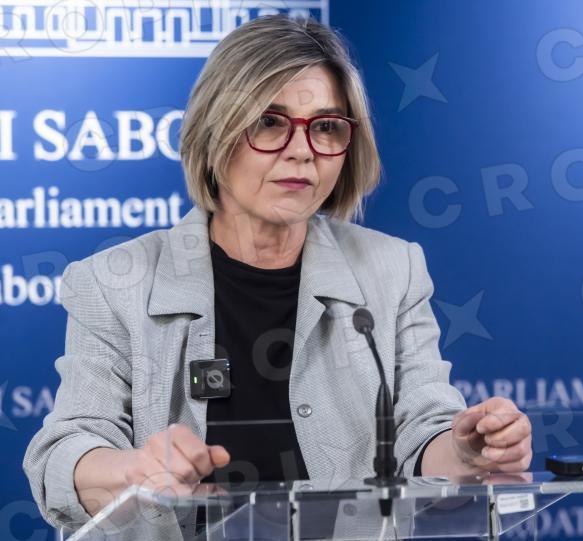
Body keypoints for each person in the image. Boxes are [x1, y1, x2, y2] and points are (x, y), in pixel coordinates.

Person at [23, 14, 533, 534]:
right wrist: (133, 470)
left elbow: (423, 433)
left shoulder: (392, 270)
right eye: (269, 122)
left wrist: (467, 452)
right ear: (215, 132)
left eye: (326, 126)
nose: (302, 150)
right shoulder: (114, 283)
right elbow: (64, 451)